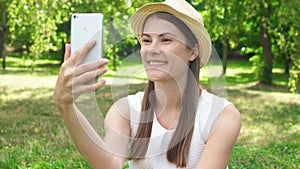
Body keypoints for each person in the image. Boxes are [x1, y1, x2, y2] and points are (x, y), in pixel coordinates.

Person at [53, 0, 242, 168]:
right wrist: (67, 106)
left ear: (193, 51)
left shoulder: (221, 116)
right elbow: (109, 165)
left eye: (166, 40)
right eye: (146, 40)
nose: (152, 49)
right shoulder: (125, 110)